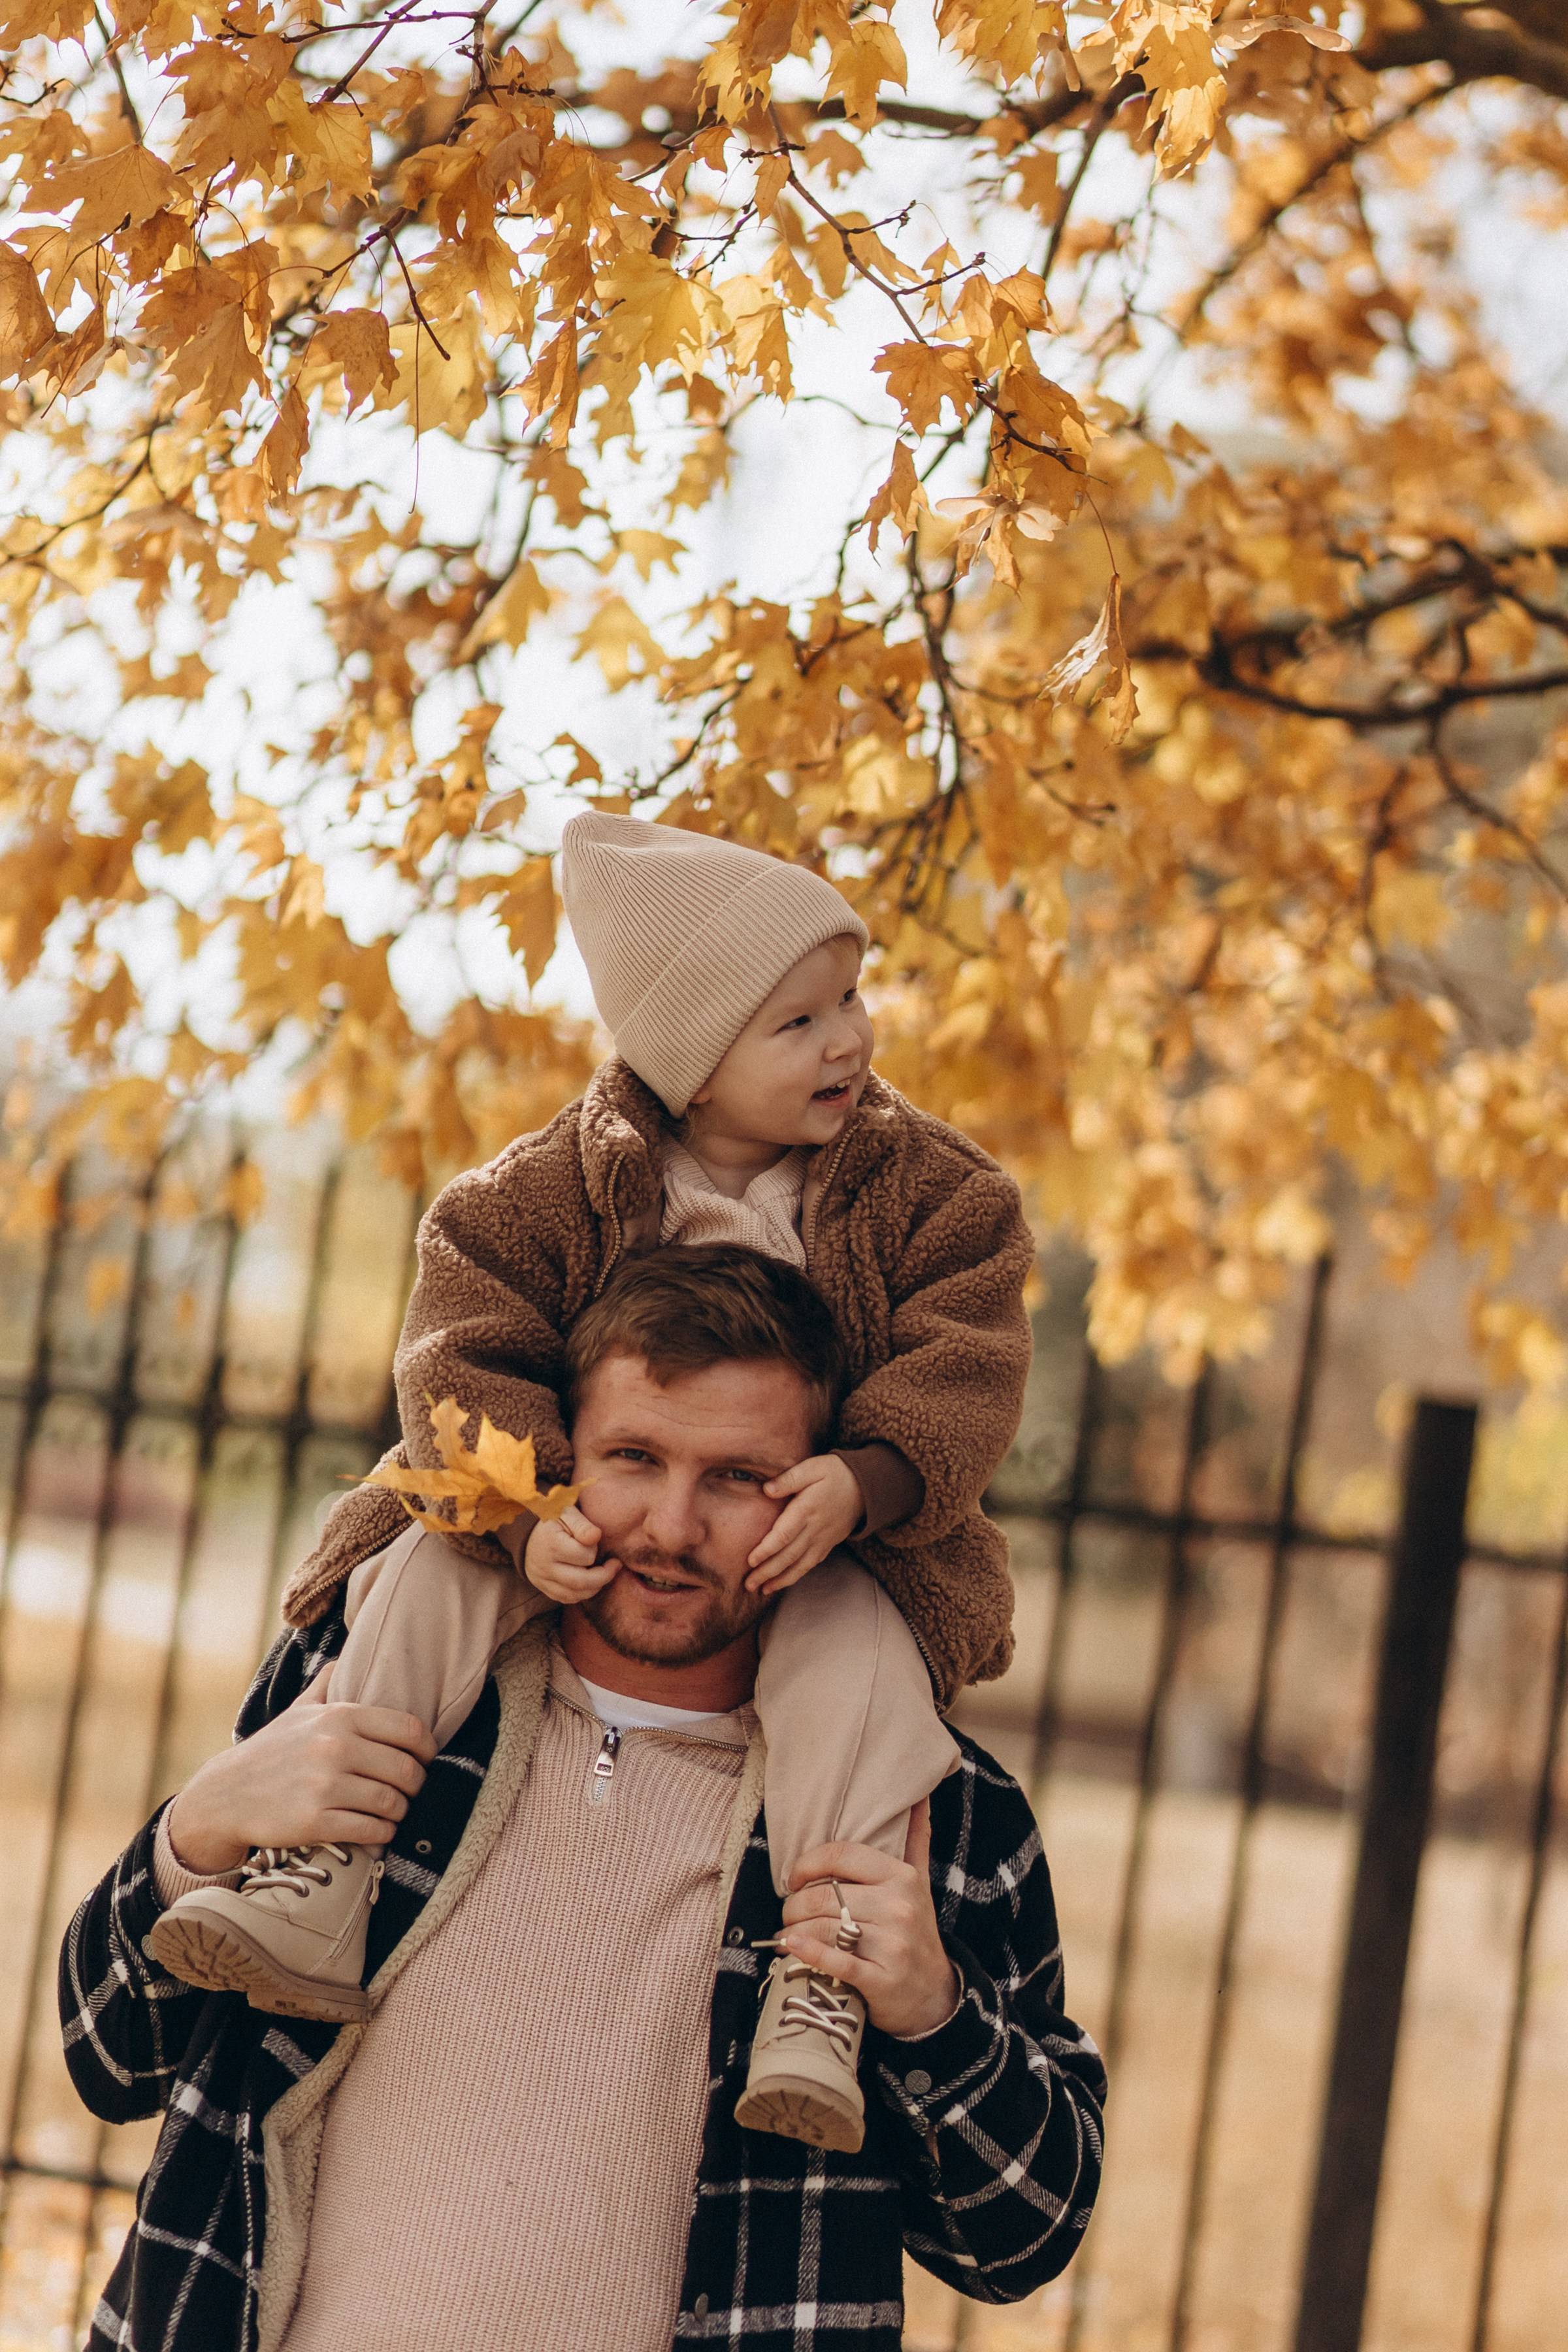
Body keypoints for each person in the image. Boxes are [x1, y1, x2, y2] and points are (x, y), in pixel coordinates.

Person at [151, 811, 1035, 2150]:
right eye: (797, 1023)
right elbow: (460, 1349)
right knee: (419, 1566)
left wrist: (870, 1478)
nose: (851, 1038)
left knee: (857, 1659)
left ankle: (824, 1973)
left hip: (833, 1536)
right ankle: (319, 1863)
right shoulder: (542, 1192)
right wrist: (527, 1512)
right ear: (688, 1058)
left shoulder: (930, 1195)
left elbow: (970, 1354)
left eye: (851, 996)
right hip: (537, 1509)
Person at [61, 1248, 1105, 2352]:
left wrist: (935, 2015)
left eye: (740, 1479)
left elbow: (1019, 2245)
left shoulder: (925, 1808)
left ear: (822, 1498)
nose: (671, 1525)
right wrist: (194, 1834)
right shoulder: (368, 1687)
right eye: (633, 1457)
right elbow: (108, 2055)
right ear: (561, 1455)